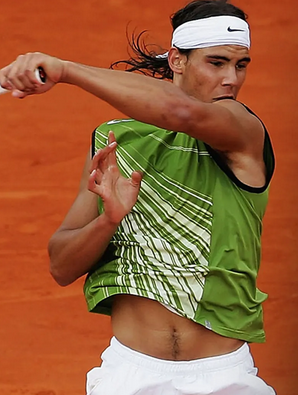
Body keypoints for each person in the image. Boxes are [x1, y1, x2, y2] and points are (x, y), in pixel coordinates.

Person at [0, 0, 276, 394]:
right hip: (130, 375)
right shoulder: (117, 141)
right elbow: (61, 266)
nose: (231, 78)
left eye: (241, 64)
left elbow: (181, 114)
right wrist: (107, 220)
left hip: (225, 377)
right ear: (177, 61)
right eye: (216, 63)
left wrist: (65, 70)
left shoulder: (243, 130)